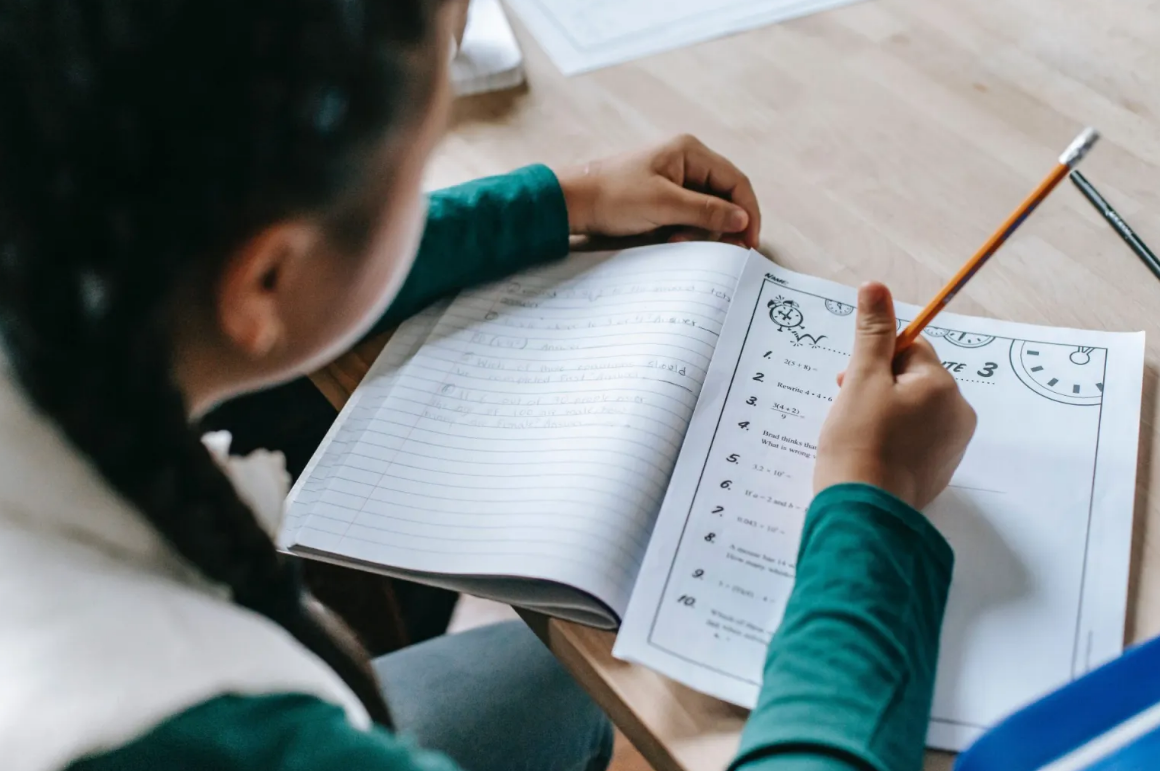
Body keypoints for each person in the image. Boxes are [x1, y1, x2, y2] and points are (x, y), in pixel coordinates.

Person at [0, 3, 976, 771]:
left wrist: (567, 196)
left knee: (549, 675)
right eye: (416, 159)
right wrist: (868, 506)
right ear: (264, 279)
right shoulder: (191, 734)